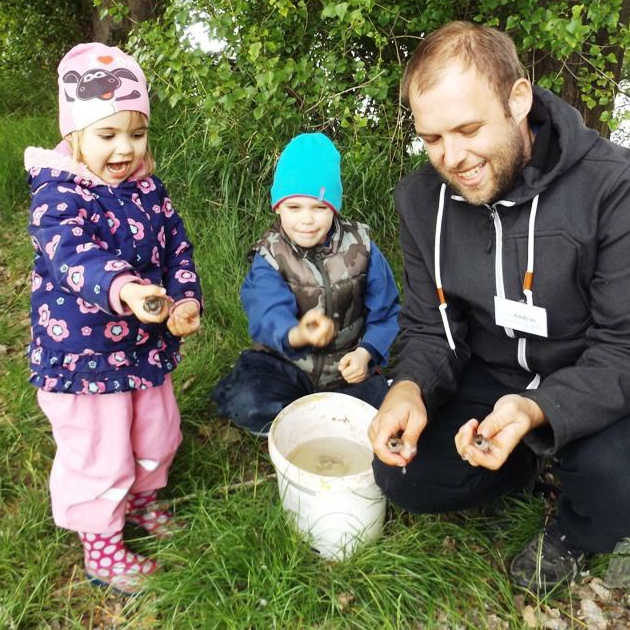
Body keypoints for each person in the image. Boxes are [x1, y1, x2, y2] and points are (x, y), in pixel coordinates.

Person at [367, 22, 630, 593]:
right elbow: (430, 326)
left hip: (594, 373)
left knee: (622, 484)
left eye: (468, 129)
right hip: (490, 373)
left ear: (518, 99)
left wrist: (540, 409)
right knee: (406, 477)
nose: (453, 158)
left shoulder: (616, 185)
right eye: (433, 138)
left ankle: (575, 529)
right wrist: (410, 385)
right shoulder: (421, 199)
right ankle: (527, 460)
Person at [24, 42, 202, 595]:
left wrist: (186, 297)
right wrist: (125, 287)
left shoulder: (149, 189)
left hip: (143, 347)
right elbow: (73, 255)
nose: (125, 148)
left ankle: (143, 498)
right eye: (108, 135)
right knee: (99, 447)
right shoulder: (57, 192)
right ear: (74, 135)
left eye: (137, 132)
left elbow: (178, 248)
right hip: (83, 353)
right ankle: (101, 544)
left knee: (157, 428)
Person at [211, 132, 400, 436]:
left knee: (384, 407)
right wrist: (297, 333)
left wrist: (367, 354)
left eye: (319, 207)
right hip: (285, 363)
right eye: (294, 208)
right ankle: (308, 418)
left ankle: (320, 417)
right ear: (277, 207)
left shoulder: (362, 248)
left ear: (334, 208)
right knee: (247, 401)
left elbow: (388, 312)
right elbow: (265, 312)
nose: (307, 220)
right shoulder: (271, 255)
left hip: (346, 366)